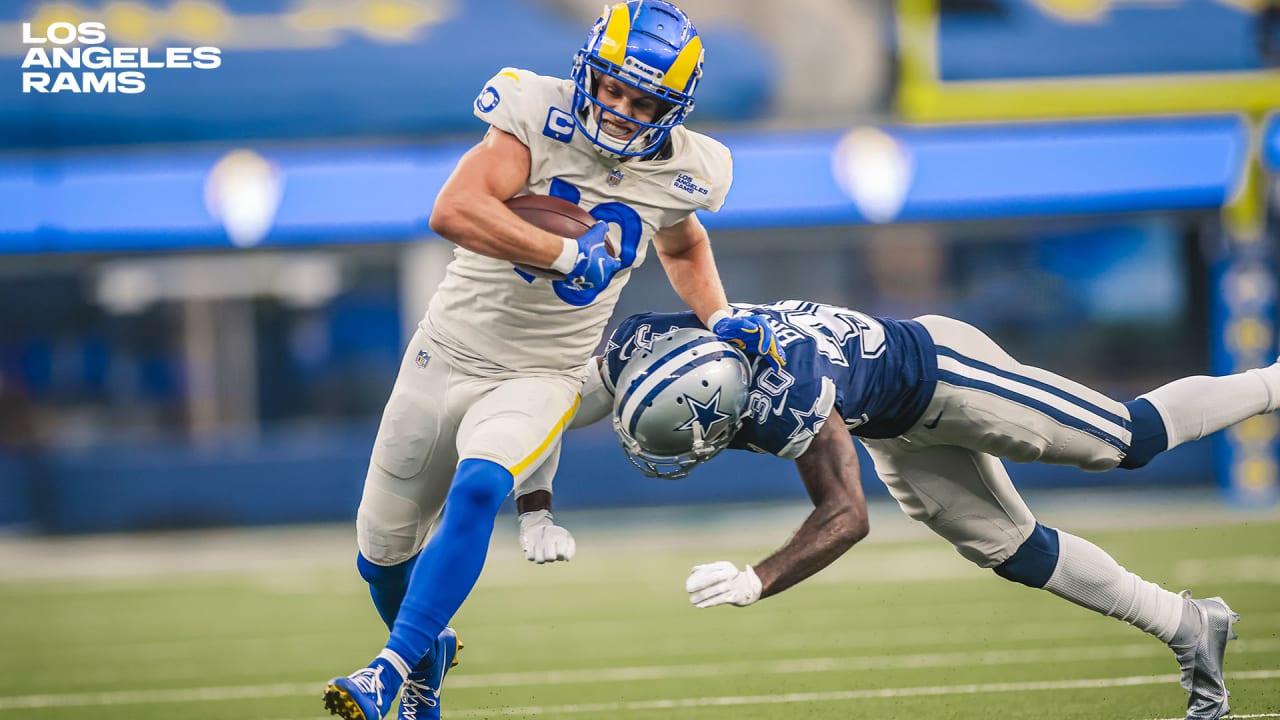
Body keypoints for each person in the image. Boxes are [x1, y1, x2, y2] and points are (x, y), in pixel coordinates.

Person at [321, 3, 786, 719]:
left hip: (546, 371)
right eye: (611, 87)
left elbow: (683, 242)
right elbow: (453, 208)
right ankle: (426, 656)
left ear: (675, 107)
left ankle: (386, 672)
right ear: (587, 71)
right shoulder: (535, 112)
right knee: (379, 559)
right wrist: (566, 252)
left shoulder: (685, 168)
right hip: (443, 352)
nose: (621, 108)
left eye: (644, 100)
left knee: (481, 485)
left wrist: (718, 315)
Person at [519, 299, 1279, 720]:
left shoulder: (788, 391)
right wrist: (535, 505)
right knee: (1012, 550)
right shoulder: (642, 348)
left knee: (1124, 438)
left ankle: (1274, 379)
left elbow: (847, 515)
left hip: (944, 373)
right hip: (890, 423)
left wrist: (759, 578)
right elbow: (547, 407)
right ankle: (1189, 625)